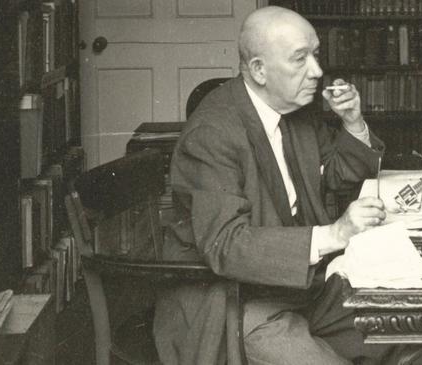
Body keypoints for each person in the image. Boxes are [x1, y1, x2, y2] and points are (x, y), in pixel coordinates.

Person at [153, 5, 394, 364]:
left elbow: (337, 172)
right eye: (300, 59)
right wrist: (335, 233)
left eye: (315, 55)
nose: (317, 71)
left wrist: (352, 121)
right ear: (259, 70)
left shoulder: (293, 112)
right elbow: (226, 243)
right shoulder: (212, 133)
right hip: (233, 306)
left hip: (299, 288)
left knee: (407, 330)